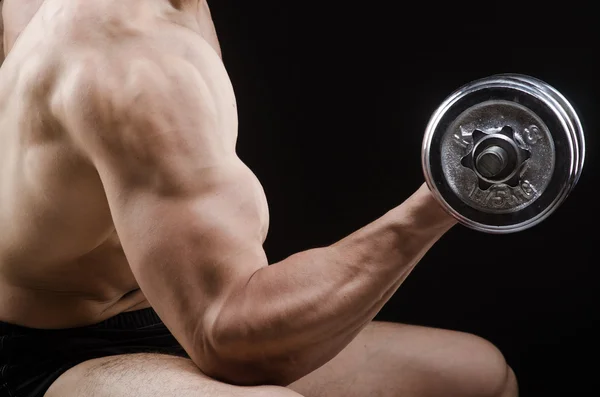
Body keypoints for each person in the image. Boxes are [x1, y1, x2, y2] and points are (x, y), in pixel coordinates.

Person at [0, 1, 519, 396]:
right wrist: (443, 201)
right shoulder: (130, 58)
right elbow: (226, 335)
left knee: (480, 375)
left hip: (158, 312)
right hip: (46, 357)